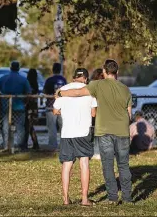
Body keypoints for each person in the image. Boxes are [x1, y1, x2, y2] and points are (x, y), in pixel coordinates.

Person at [55, 59, 133, 205]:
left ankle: (112, 198)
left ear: (104, 71)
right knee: (123, 164)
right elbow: (129, 114)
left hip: (103, 131)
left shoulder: (97, 85)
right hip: (122, 131)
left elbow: (78, 92)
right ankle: (127, 198)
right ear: (118, 72)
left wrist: (61, 92)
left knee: (108, 164)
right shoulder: (125, 89)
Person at [53, 68, 97, 206]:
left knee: (67, 165)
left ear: (73, 77)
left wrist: (67, 113)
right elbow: (94, 113)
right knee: (84, 163)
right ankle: (84, 199)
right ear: (85, 78)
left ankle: (66, 199)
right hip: (83, 132)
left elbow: (55, 111)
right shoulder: (90, 90)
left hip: (67, 133)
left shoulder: (63, 90)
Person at [0, 61, 31, 150]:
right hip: (19, 106)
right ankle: (19, 146)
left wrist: (0, 100)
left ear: (10, 67)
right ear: (18, 68)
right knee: (20, 127)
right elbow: (28, 93)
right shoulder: (23, 79)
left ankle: (6, 145)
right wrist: (25, 103)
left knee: (6, 126)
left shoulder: (3, 78)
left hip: (6, 106)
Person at [43, 63, 67, 149]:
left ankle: (53, 145)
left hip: (51, 106)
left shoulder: (49, 80)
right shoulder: (63, 80)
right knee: (63, 126)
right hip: (62, 106)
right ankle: (64, 145)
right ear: (60, 69)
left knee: (52, 127)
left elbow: (45, 91)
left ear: (52, 69)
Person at [90, 68, 104, 160]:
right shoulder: (95, 85)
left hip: (97, 112)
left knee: (96, 134)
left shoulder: (91, 85)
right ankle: (96, 152)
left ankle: (96, 152)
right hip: (96, 111)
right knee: (96, 134)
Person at [24, 69, 40, 150]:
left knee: (28, 126)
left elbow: (28, 96)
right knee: (29, 127)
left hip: (29, 107)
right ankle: (33, 143)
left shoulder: (28, 84)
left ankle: (33, 144)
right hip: (34, 107)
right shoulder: (36, 85)